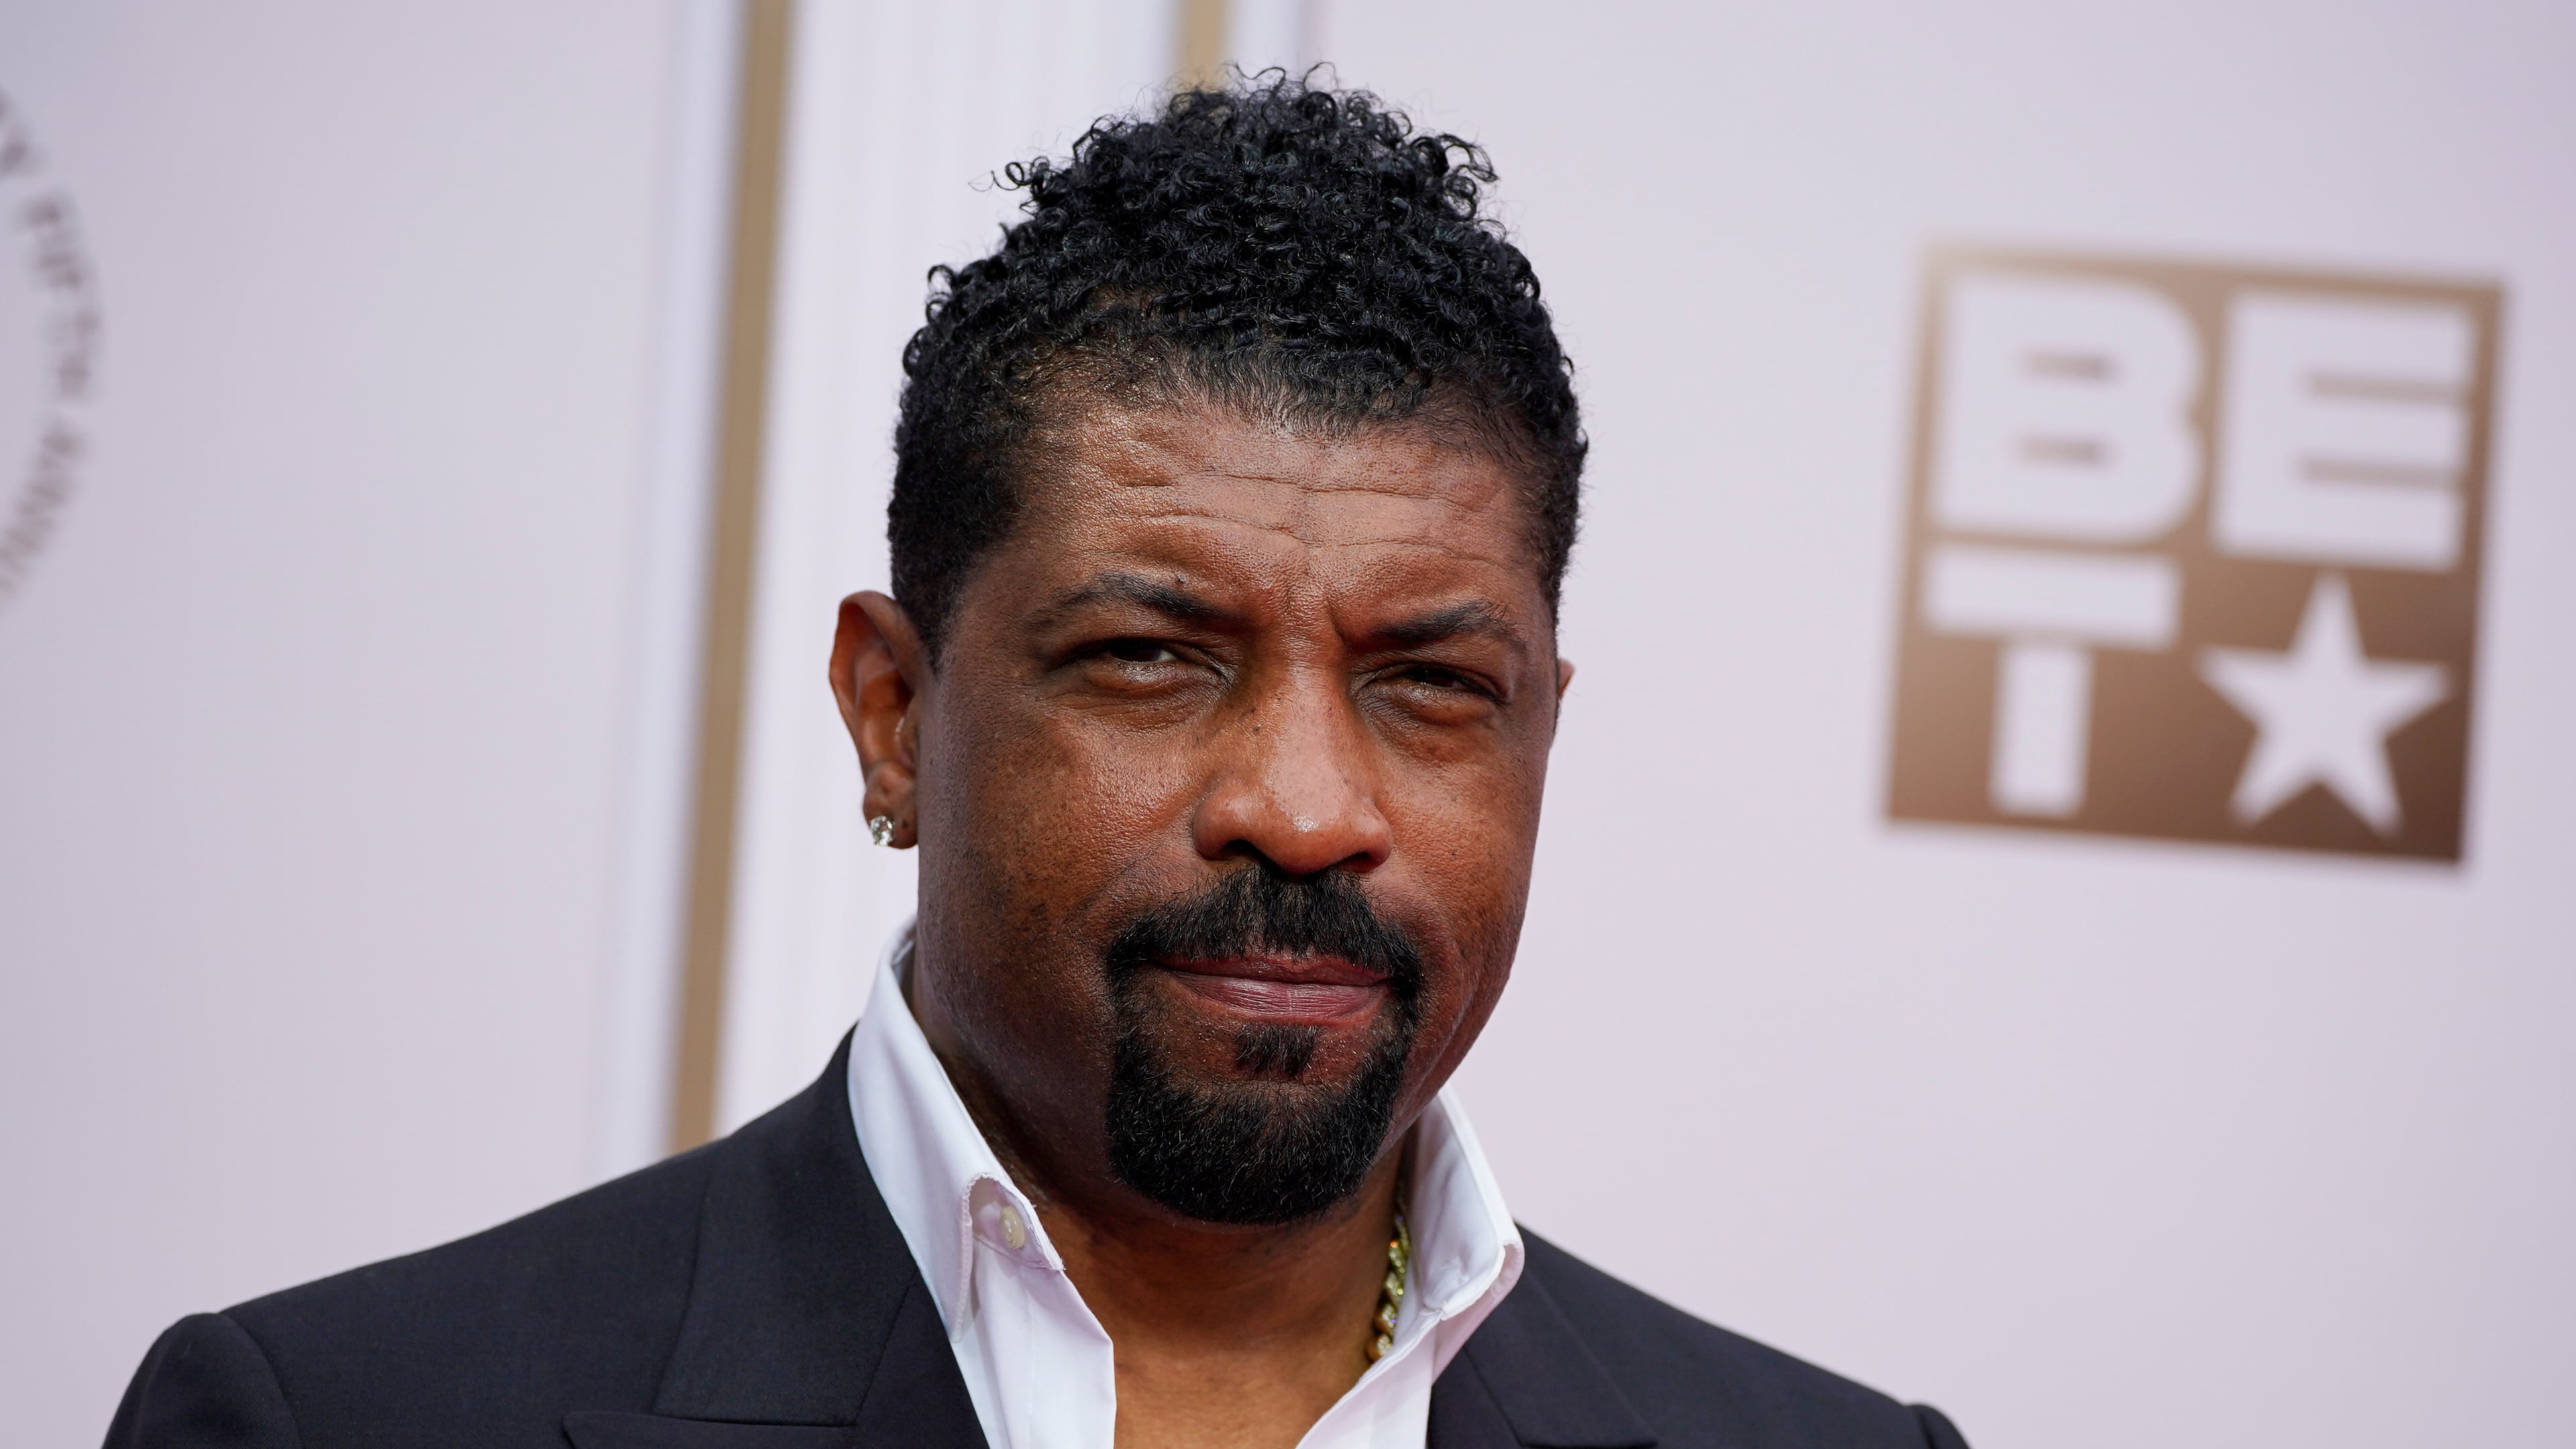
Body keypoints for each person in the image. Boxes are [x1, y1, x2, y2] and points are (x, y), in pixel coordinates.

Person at [107, 75, 1969, 1449]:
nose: (1306, 808)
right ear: (894, 714)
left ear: (1544, 727)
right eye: (1152, 660)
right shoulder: (339, 1423)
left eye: (1426, 683)